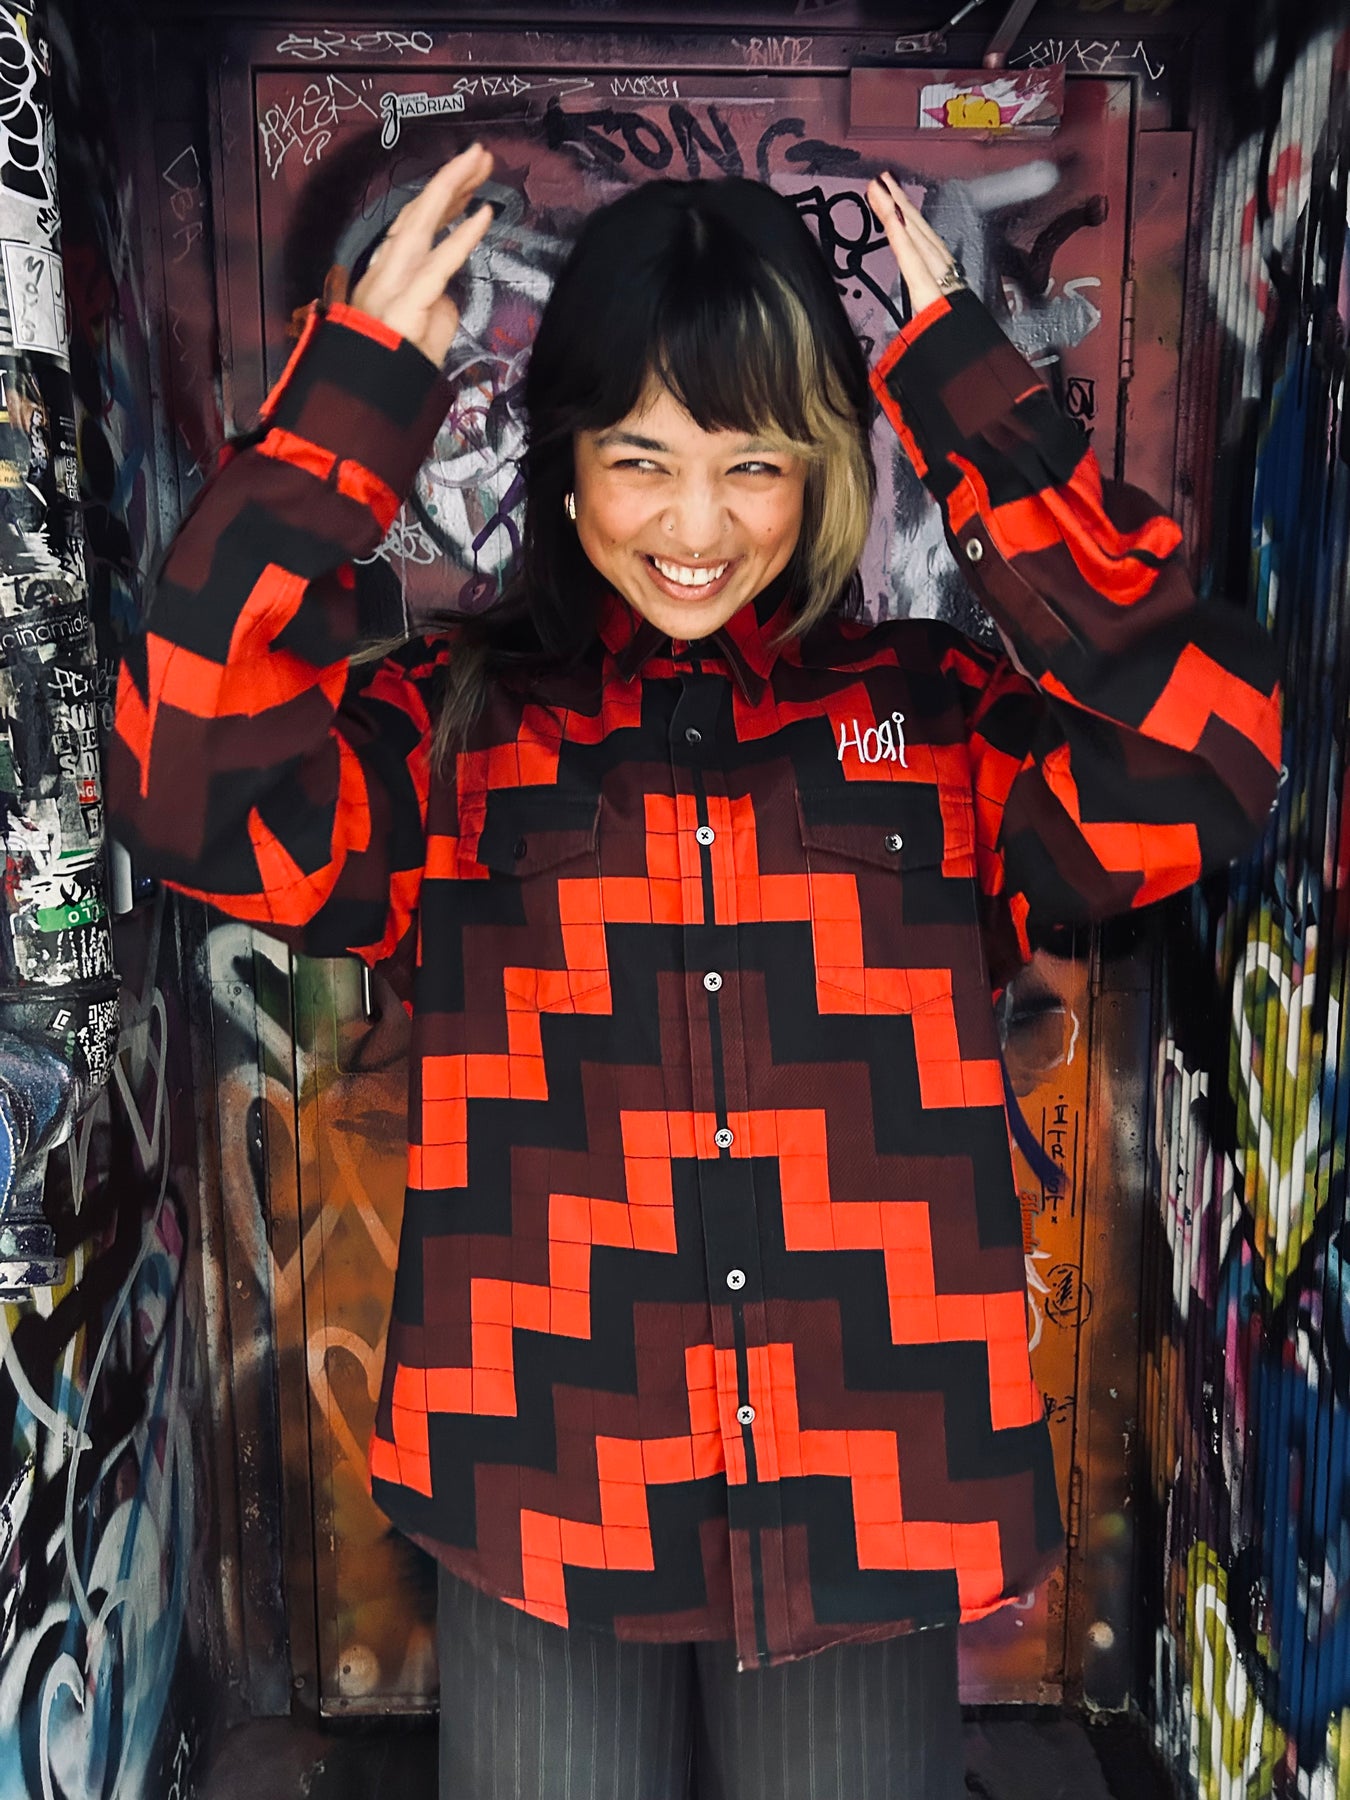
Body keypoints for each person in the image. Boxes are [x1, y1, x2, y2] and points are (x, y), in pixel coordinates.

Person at [108, 144, 1281, 1798]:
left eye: (753, 464)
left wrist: (977, 410)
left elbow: (1212, 757)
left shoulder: (934, 726)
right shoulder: (451, 729)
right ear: (566, 468)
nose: (694, 525)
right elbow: (181, 791)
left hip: (869, 1480)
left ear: (819, 471)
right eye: (639, 461)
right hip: (542, 1476)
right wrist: (344, 421)